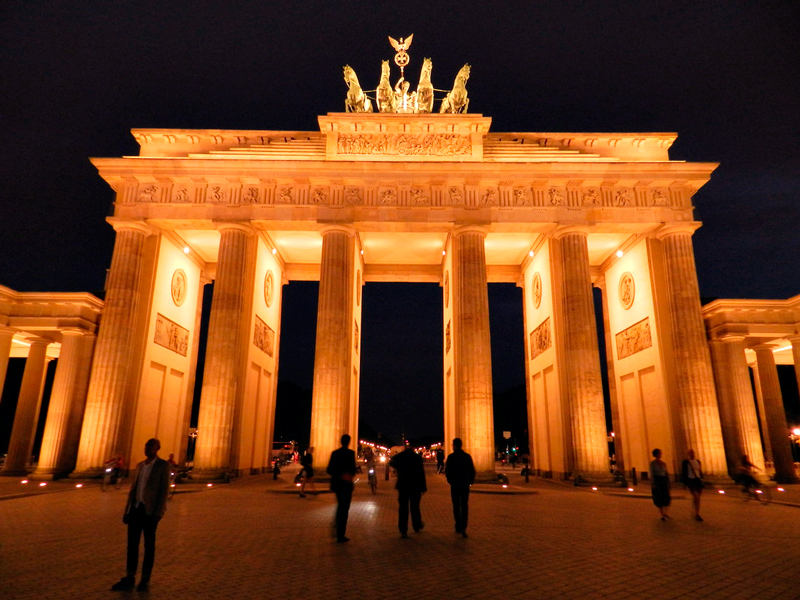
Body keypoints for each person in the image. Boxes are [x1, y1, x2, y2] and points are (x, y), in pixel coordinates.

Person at [111, 438, 171, 592]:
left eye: (150, 446)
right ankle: (130, 577)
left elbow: (164, 491)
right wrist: (127, 510)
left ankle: (145, 578)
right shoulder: (140, 466)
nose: (147, 449)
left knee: (149, 546)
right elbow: (133, 489)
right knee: (132, 546)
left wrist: (158, 513)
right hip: (136, 510)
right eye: (146, 446)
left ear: (157, 448)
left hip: (150, 512)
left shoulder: (163, 466)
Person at [389, 444, 427, 538]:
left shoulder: (400, 457)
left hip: (403, 485)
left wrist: (398, 468)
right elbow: (421, 473)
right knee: (415, 507)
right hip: (415, 485)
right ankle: (417, 525)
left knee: (403, 508)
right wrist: (423, 487)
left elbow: (391, 462)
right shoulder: (417, 458)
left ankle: (403, 530)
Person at [326, 434, 357, 543]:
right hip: (347, 484)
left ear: (340, 441)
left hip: (337, 484)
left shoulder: (334, 453)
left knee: (340, 505)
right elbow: (353, 469)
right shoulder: (351, 454)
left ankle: (336, 524)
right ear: (348, 442)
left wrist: (337, 475)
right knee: (345, 508)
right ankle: (340, 534)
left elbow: (329, 469)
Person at [445, 438, 475, 538]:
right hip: (464, 485)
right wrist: (470, 482)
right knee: (464, 505)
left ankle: (458, 525)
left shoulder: (451, 457)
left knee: (456, 505)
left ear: (454, 445)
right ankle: (464, 527)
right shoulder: (467, 457)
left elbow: (447, 471)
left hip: (455, 485)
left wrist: (451, 481)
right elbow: (472, 471)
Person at [681, 449, 705, 521]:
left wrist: (702, 479)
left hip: (698, 480)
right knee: (696, 496)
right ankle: (697, 514)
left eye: (693, 453)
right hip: (690, 480)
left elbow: (700, 471)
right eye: (690, 453)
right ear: (688, 454)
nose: (692, 454)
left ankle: (696, 511)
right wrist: (684, 483)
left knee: (698, 498)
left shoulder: (698, 461)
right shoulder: (686, 462)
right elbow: (684, 472)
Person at [649, 448, 671, 520]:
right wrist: (653, 483)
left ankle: (665, 513)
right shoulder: (653, 463)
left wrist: (669, 481)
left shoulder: (663, 463)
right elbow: (652, 473)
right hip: (657, 481)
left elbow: (666, 473)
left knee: (666, 497)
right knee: (659, 498)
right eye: (659, 453)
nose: (660, 454)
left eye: (661, 453)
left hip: (663, 480)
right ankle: (662, 515)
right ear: (656, 454)